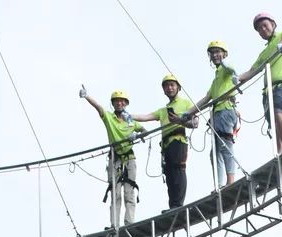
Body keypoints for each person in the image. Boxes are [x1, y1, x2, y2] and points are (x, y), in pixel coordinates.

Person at [80, 85, 144, 228]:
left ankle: (129, 223)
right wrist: (87, 96)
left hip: (129, 158)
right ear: (113, 103)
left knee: (129, 192)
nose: (119, 103)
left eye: (122, 101)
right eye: (116, 101)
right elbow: (98, 107)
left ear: (126, 103)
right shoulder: (109, 117)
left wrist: (137, 135)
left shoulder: (131, 121)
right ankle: (114, 225)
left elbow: (144, 131)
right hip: (115, 158)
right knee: (116, 194)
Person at [130, 75, 197, 209]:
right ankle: (173, 205)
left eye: (172, 85)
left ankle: (178, 204)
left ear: (178, 87)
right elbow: (146, 116)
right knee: (169, 174)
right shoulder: (163, 110)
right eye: (166, 86)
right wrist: (128, 116)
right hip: (166, 146)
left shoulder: (186, 103)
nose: (169, 88)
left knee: (178, 170)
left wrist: (179, 120)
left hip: (178, 140)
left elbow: (195, 123)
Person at [238, 12, 282, 152]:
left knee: (279, 112)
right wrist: (237, 79)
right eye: (259, 29)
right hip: (268, 90)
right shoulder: (263, 54)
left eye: (265, 25)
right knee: (273, 121)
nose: (263, 29)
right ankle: (280, 152)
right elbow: (252, 71)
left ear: (273, 24)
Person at [189, 39, 240, 188]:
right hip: (217, 113)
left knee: (225, 145)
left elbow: (232, 70)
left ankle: (230, 181)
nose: (215, 55)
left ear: (224, 54)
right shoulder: (216, 79)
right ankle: (218, 185)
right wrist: (188, 113)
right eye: (212, 53)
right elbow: (206, 98)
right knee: (215, 152)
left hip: (226, 110)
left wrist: (224, 62)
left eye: (218, 52)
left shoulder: (225, 70)